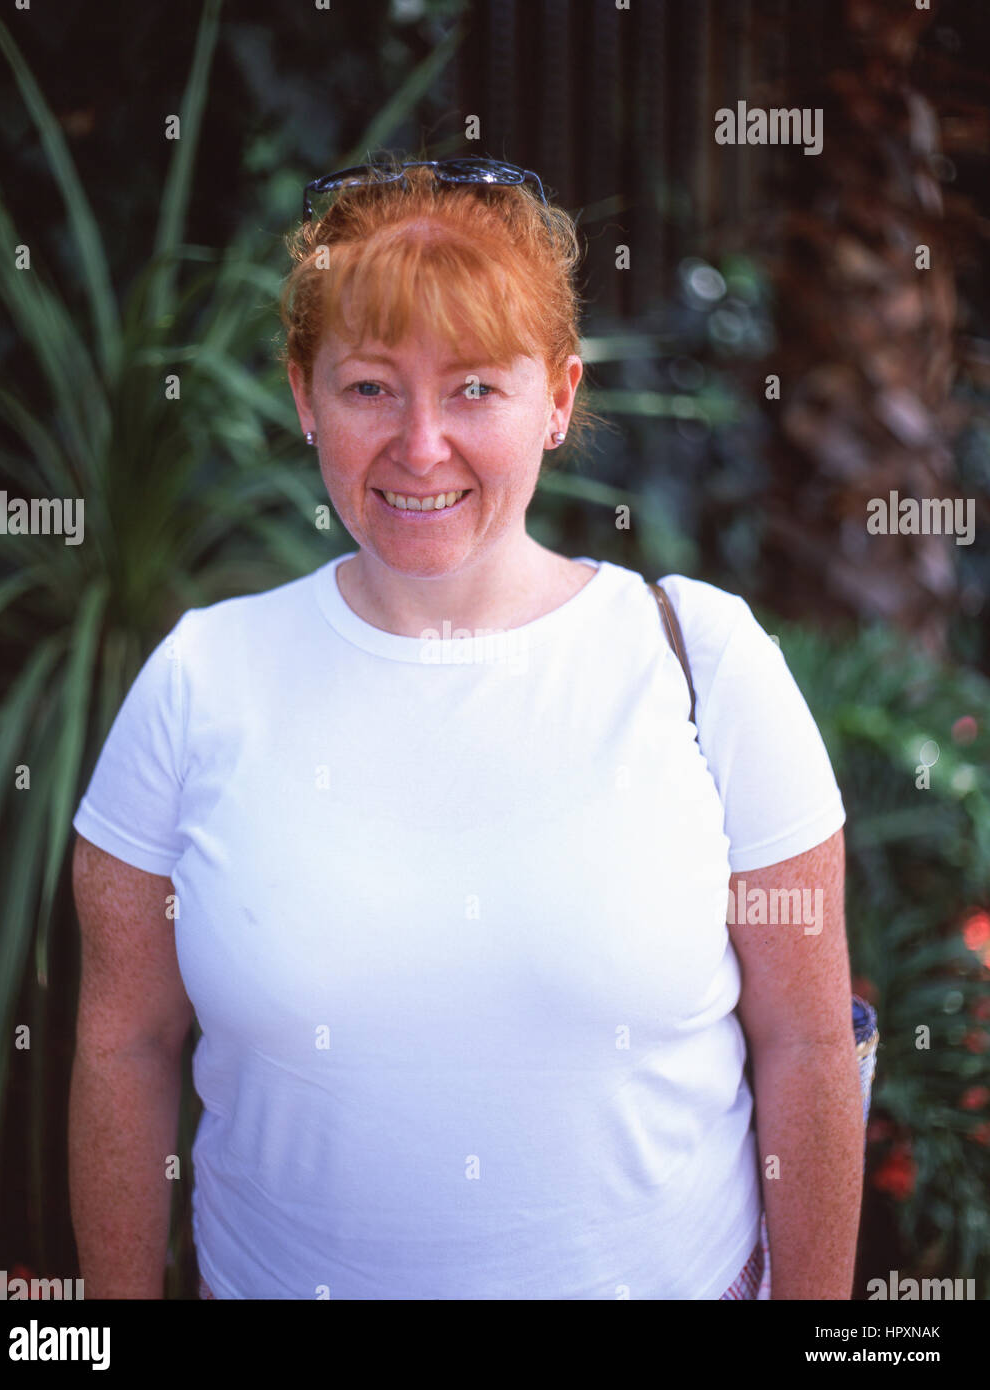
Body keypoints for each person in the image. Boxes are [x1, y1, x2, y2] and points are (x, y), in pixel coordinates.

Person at [68, 156, 864, 1301]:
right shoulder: (201, 678)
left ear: (558, 397)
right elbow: (122, 1045)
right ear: (303, 396)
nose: (421, 444)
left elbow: (805, 1044)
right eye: (370, 387)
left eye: (476, 389)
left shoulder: (703, 663)